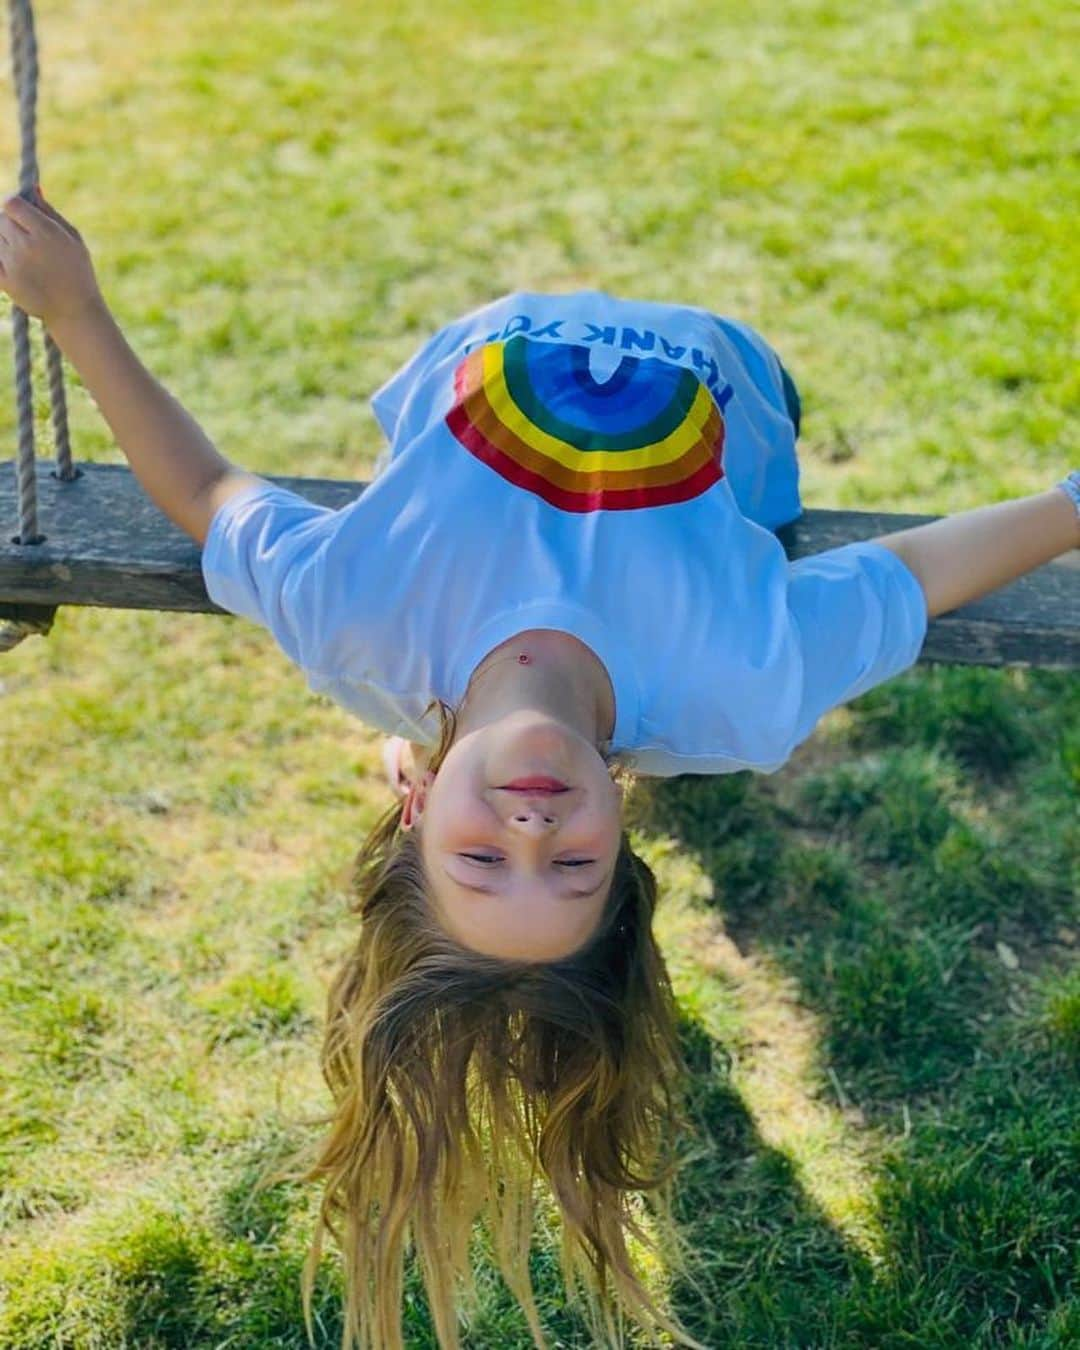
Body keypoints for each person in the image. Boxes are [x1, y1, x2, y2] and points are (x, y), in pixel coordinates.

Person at [2, 186, 1077, 1350]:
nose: (529, 826)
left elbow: (210, 495)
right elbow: (918, 570)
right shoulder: (746, 678)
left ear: (410, 806)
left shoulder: (354, 620)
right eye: (568, 866)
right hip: (730, 382)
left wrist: (75, 311)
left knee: (407, 668)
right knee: (740, 592)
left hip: (470, 368)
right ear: (621, 830)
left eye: (479, 856)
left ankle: (437, 735)